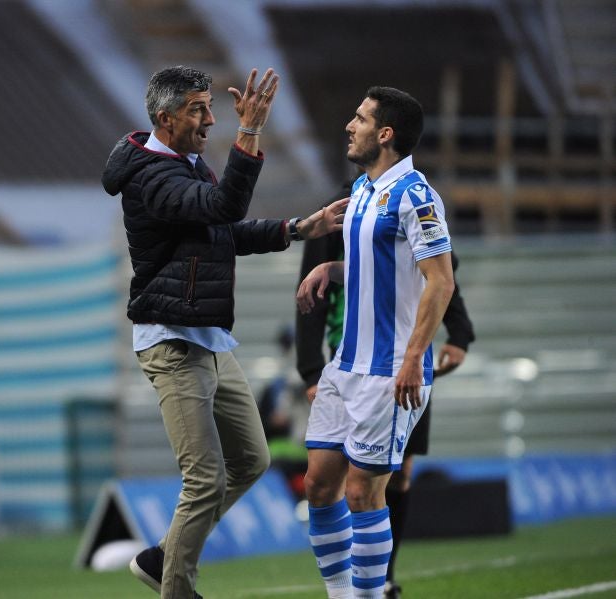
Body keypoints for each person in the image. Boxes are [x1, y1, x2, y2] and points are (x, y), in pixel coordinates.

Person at [101, 65, 348, 599]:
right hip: (172, 341)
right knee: (205, 477)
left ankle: (162, 556)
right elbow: (224, 207)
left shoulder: (185, 164)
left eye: (211, 107)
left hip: (208, 338)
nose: (211, 119)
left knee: (252, 460)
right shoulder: (150, 176)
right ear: (165, 118)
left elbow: (222, 230)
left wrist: (299, 228)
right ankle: (177, 588)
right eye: (198, 109)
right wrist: (250, 132)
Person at [296, 86, 455, 599]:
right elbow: (383, 267)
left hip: (389, 371)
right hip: (345, 364)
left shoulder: (416, 195)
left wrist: (414, 358)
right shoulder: (362, 190)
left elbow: (441, 280)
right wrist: (332, 267)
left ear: (385, 134)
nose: (350, 126)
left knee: (364, 494)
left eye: (360, 119)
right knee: (320, 485)